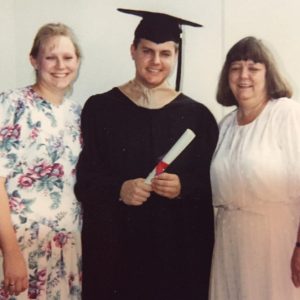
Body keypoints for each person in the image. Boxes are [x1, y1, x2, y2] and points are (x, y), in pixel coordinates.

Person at [75, 8, 218, 300]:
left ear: (175, 55)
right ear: (133, 51)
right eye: (147, 51)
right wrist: (119, 189)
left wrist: (184, 187)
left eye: (165, 53)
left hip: (175, 258)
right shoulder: (100, 108)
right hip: (117, 256)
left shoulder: (197, 116)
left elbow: (214, 185)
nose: (156, 61)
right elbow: (85, 181)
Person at [209, 36, 300, 300]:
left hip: (276, 243)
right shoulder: (225, 126)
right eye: (236, 68)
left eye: (253, 68)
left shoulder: (286, 114)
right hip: (229, 243)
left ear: (268, 74)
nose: (243, 76)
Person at [0, 23, 82, 299]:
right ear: (34, 60)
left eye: (68, 57)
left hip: (67, 249)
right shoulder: (12, 105)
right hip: (20, 247)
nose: (61, 65)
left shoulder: (78, 114)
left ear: (78, 61)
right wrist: (10, 252)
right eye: (51, 57)